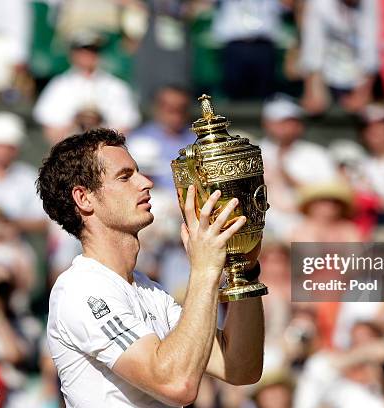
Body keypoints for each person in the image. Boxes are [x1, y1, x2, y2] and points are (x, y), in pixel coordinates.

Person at [37, 129, 264, 407]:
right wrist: (205, 271)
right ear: (84, 198)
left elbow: (241, 366)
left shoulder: (149, 290)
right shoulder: (81, 290)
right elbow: (176, 384)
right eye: (125, 176)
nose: (146, 182)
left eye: (139, 172)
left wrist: (245, 269)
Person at [33, 31, 141, 145]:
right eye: (83, 51)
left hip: (106, 151)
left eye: (94, 51)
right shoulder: (59, 86)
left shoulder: (116, 87)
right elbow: (50, 128)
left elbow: (125, 127)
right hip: (69, 152)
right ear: (73, 54)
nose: (88, 56)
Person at [260, 95, 336, 237]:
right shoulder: (253, 153)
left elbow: (328, 195)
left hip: (308, 226)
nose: (288, 127)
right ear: (267, 123)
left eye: (293, 121)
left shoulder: (317, 154)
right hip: (264, 228)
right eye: (282, 122)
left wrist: (288, 176)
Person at [299, 0, 379, 114]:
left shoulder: (371, 3)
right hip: (326, 76)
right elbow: (312, 48)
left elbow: (370, 50)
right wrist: (313, 93)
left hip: (360, 78)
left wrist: (362, 94)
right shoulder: (317, 3)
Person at [126, 85, 196, 190]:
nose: (176, 116)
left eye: (181, 109)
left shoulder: (196, 140)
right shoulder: (137, 141)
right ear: (157, 108)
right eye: (170, 109)